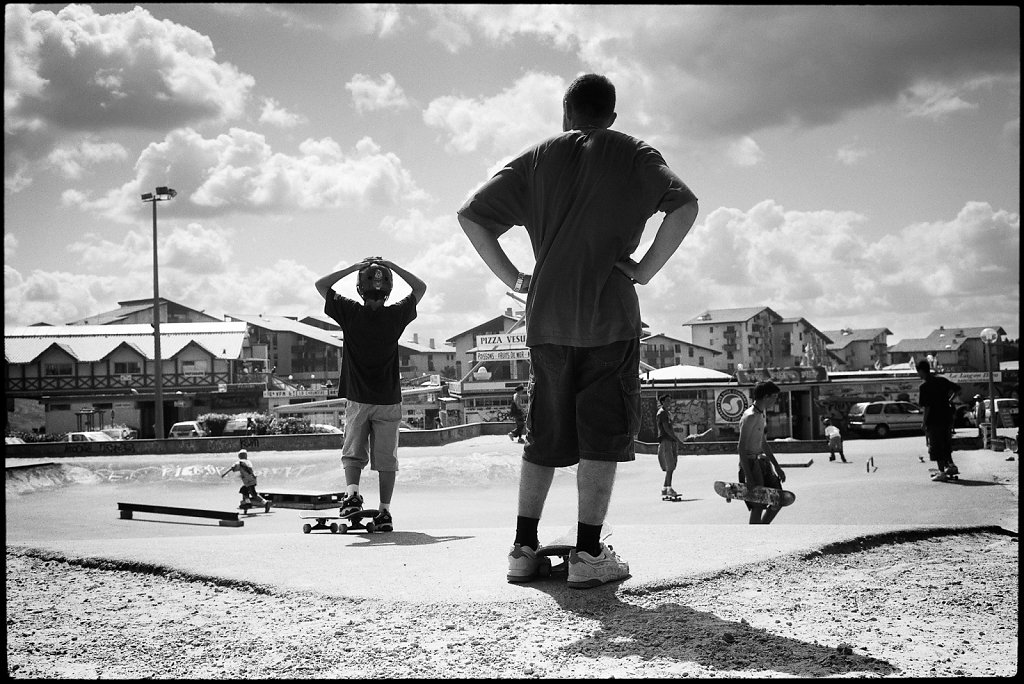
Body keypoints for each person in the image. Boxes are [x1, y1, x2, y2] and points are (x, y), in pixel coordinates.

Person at [458, 73, 699, 588]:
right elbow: (686, 206)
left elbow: (471, 215)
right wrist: (643, 270)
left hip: (547, 319)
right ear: (610, 115)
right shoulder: (634, 152)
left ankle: (523, 550)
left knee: (544, 435)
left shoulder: (537, 156)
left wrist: (515, 278)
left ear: (565, 112)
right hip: (610, 317)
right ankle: (588, 555)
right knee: (601, 436)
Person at [315, 257, 427, 531]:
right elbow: (421, 288)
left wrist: (354, 267)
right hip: (388, 399)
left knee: (353, 452)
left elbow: (321, 285)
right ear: (388, 290)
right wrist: (393, 266)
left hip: (358, 397)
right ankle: (385, 512)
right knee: (387, 459)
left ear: (359, 289)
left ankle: (352, 494)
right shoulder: (395, 315)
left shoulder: (350, 312)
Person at [737, 381, 787, 525]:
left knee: (778, 499)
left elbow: (763, 442)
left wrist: (777, 466)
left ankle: (762, 530)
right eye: (774, 397)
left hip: (762, 462)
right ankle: (755, 537)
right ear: (766, 396)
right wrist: (748, 475)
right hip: (751, 463)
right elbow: (740, 447)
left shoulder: (760, 414)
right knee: (757, 505)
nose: (775, 400)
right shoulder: (750, 416)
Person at [916, 359, 961, 481]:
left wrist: (924, 423)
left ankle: (942, 472)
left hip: (934, 420)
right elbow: (957, 389)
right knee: (946, 442)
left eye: (918, 372)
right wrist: (949, 400)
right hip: (946, 417)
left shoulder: (924, 387)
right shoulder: (942, 380)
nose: (918, 375)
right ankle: (951, 465)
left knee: (936, 446)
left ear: (921, 371)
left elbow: (927, 407)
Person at [656, 394, 685, 499]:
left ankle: (665, 488)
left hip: (670, 440)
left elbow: (670, 427)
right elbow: (666, 429)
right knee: (670, 466)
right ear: (662, 402)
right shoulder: (662, 413)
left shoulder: (667, 413)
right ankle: (669, 488)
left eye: (670, 401)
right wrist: (677, 439)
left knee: (671, 466)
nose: (669, 403)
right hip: (666, 440)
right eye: (667, 401)